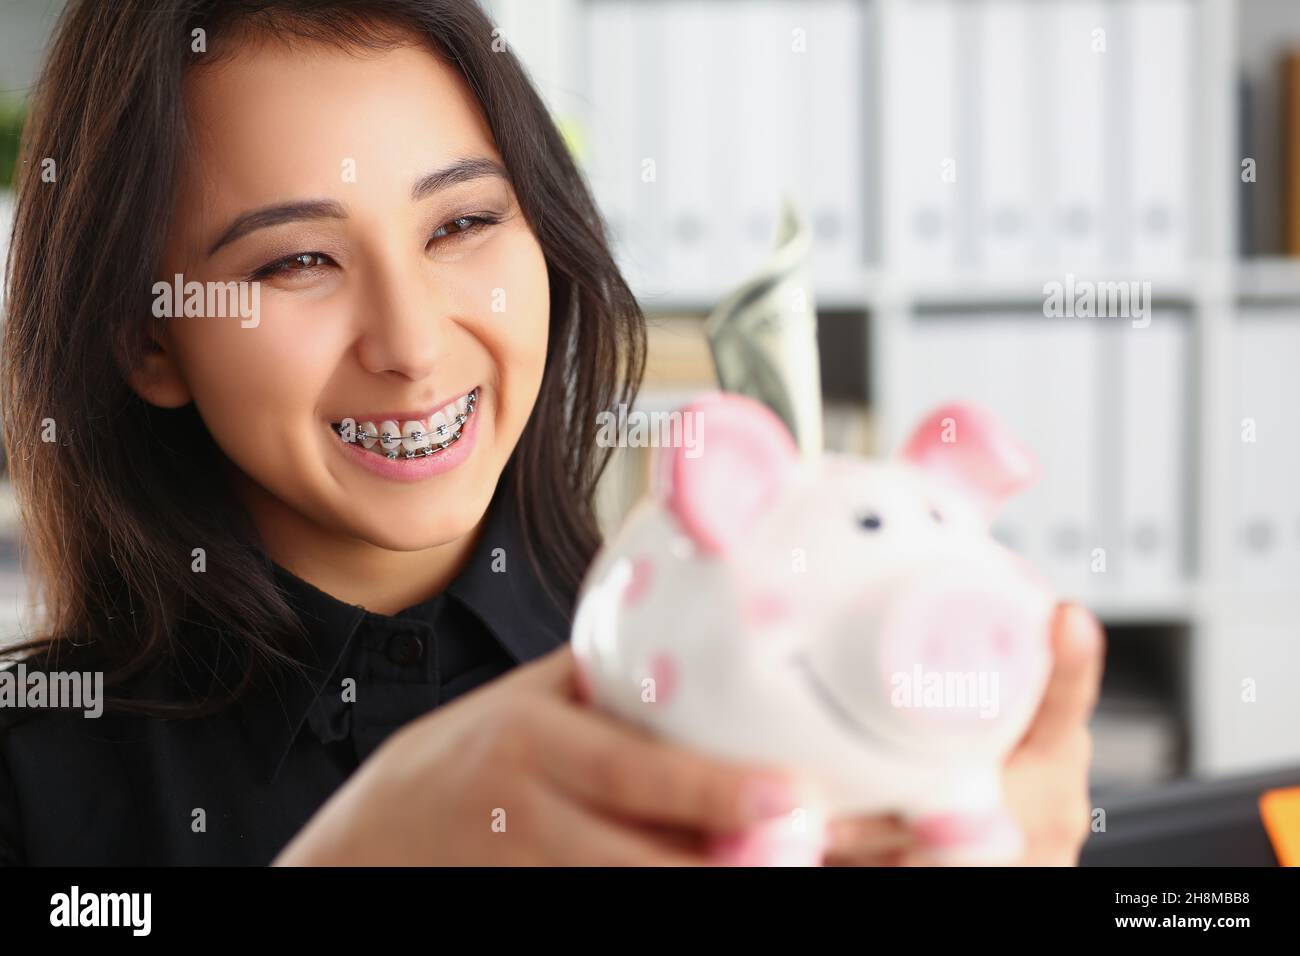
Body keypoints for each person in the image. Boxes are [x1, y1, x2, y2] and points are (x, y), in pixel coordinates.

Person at [0, 0, 1103, 865]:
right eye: (296, 261)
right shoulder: (34, 777)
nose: (414, 344)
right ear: (149, 340)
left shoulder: (765, 686)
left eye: (465, 223)